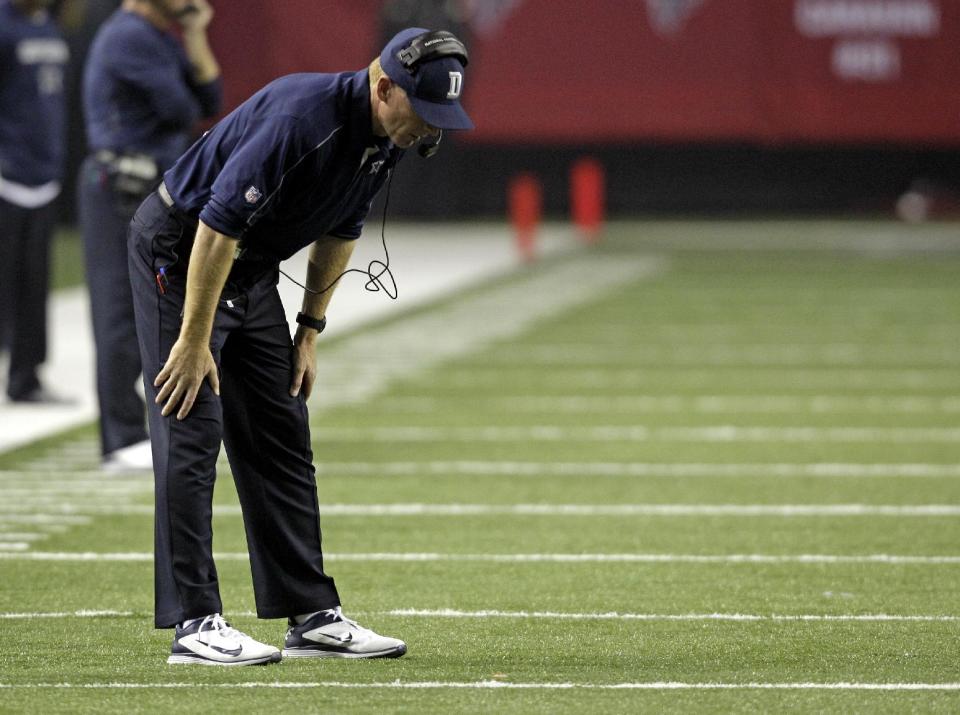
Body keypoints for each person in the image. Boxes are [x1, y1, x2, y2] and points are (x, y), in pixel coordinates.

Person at [127, 27, 474, 665]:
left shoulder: (388, 134)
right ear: (384, 86)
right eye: (423, 115)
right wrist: (196, 338)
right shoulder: (300, 119)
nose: (431, 132)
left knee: (281, 427)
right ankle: (195, 622)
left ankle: (310, 614)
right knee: (192, 418)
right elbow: (214, 226)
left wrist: (309, 331)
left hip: (248, 265)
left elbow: (342, 226)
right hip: (183, 254)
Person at [79, 0, 222, 472]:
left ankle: (147, 428)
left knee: (155, 307)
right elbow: (181, 106)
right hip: (119, 187)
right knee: (119, 309)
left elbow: (209, 100)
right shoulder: (129, 35)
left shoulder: (161, 34)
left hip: (151, 191)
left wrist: (197, 33)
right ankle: (119, 438)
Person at [0, 0, 70, 403]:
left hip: (42, 174)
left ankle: (25, 377)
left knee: (33, 285)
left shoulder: (49, 26)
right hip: (6, 177)